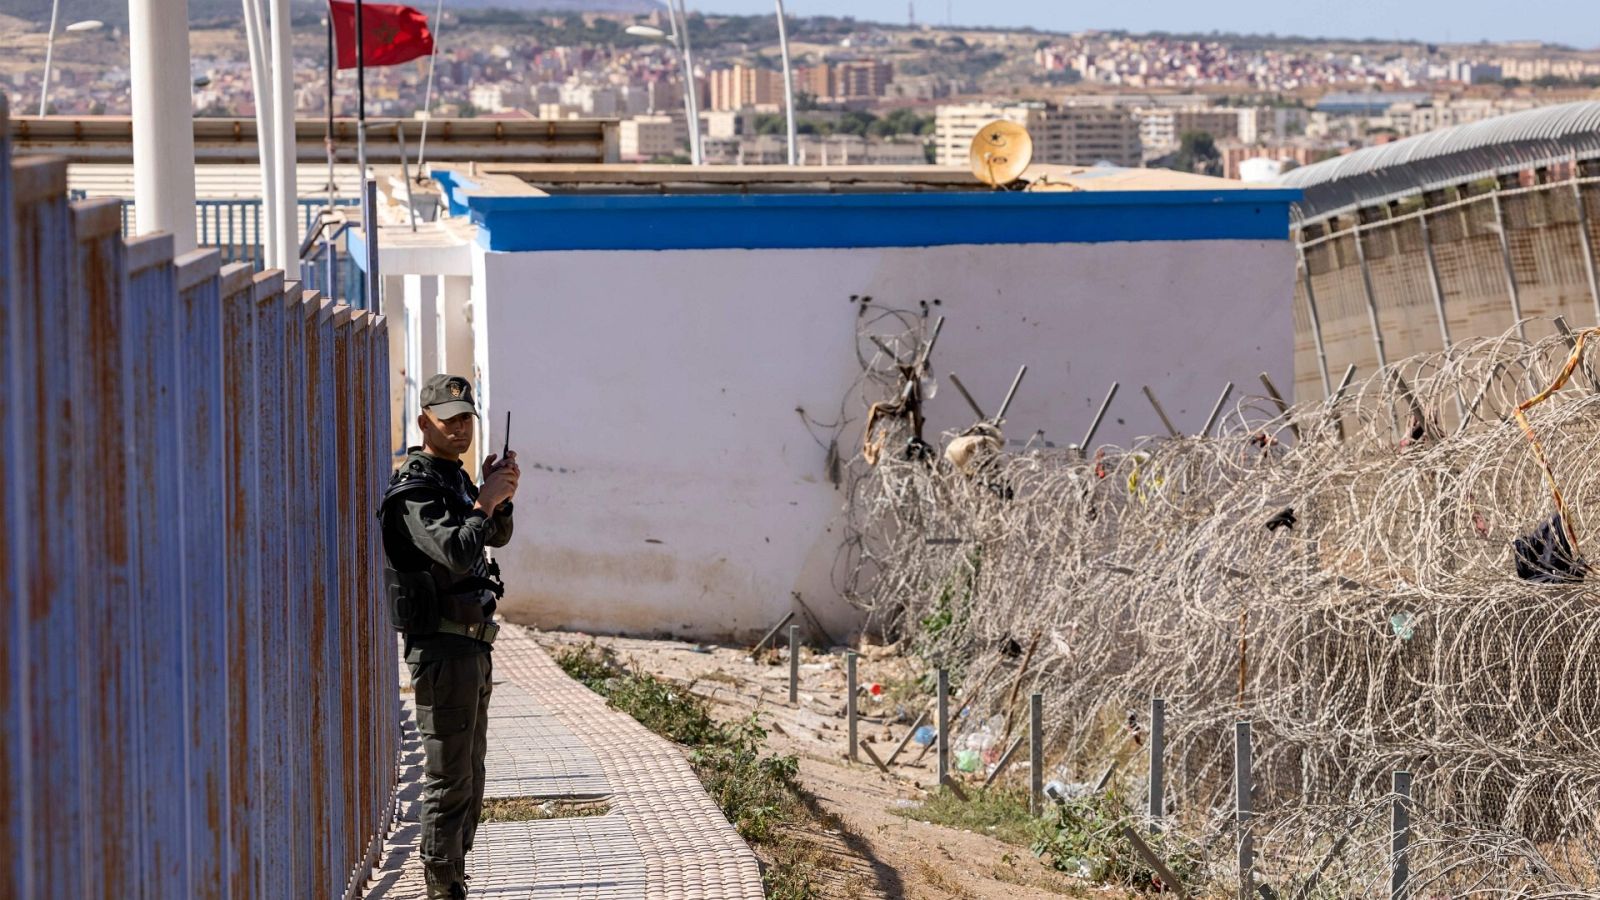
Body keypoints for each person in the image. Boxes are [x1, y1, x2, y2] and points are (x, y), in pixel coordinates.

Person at [379, 374, 520, 899]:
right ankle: (442, 887)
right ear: (424, 423)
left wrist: (498, 498)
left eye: (466, 418)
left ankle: (456, 876)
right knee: (447, 780)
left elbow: (494, 538)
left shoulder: (452, 480)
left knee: (470, 776)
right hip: (441, 648)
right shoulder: (415, 493)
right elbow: (458, 551)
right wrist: (482, 503)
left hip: (471, 645)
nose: (461, 428)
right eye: (449, 419)